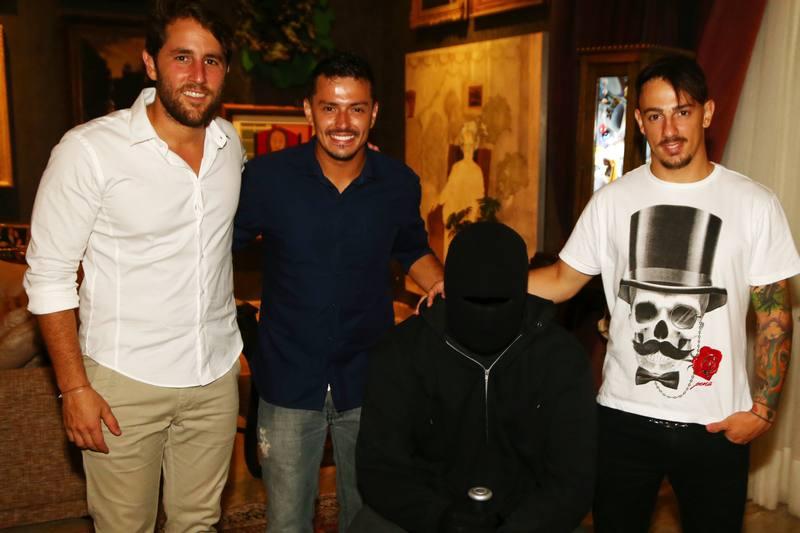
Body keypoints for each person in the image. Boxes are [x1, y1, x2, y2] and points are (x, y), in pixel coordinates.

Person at [529, 55, 800, 532]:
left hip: (716, 425)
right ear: (638, 122)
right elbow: (560, 281)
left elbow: (774, 315)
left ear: (707, 113)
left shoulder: (754, 204)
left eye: (682, 112)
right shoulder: (612, 202)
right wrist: (475, 284)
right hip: (622, 419)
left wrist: (763, 410)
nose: (669, 129)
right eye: (655, 115)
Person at [23, 1, 243, 530]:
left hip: (214, 376)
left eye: (212, 61)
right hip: (122, 380)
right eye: (182, 57)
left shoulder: (230, 145)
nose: (197, 75)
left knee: (200, 523)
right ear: (150, 63)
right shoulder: (89, 151)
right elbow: (49, 277)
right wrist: (74, 388)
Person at [233, 52, 444, 532]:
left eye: (356, 108)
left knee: (369, 518)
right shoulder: (267, 179)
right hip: (288, 379)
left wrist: (444, 285)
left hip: (369, 379)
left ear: (374, 113)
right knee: (287, 523)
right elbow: (220, 246)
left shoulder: (398, 183)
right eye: (329, 107)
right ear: (308, 110)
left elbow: (413, 249)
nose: (343, 123)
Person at [350, 222, 596, 533]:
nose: (486, 314)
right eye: (474, 300)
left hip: (529, 513)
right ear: (447, 288)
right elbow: (380, 468)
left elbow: (573, 479)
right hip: (427, 510)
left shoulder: (559, 357)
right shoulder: (403, 352)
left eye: (498, 302)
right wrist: (440, 519)